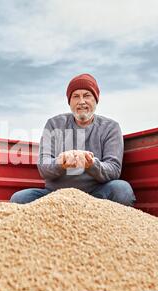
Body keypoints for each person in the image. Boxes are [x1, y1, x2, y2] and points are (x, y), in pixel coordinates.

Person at [10, 73, 136, 206]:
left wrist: (91, 164)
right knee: (19, 198)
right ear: (69, 102)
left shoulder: (111, 127)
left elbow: (114, 169)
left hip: (96, 196)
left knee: (122, 190)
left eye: (87, 95)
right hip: (56, 196)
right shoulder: (54, 124)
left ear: (96, 100)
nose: (81, 101)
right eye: (76, 96)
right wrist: (61, 162)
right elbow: (43, 166)